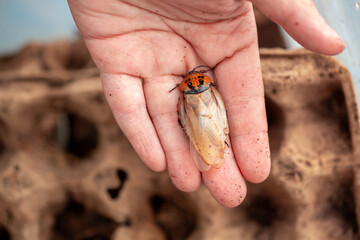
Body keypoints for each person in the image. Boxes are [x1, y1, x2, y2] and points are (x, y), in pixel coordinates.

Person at [67, 0, 345, 207]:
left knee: (209, 131)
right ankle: (215, 144)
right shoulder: (205, 87)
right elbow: (216, 109)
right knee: (213, 129)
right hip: (205, 108)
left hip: (196, 109)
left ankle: (215, 144)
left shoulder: (186, 93)